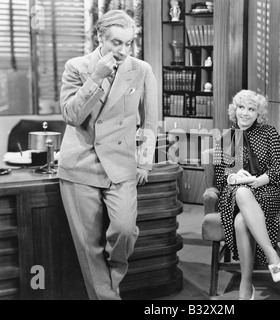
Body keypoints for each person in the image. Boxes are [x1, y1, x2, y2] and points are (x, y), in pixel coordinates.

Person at [58, 10, 158, 300]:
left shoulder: (141, 69)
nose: (123, 50)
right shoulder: (76, 66)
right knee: (88, 246)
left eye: (128, 43)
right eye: (116, 42)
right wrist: (98, 75)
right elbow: (72, 116)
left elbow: (150, 122)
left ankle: (110, 284)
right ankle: (108, 297)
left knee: (125, 230)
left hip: (121, 164)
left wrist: (145, 160)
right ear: (100, 37)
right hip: (80, 164)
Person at [213, 90, 280, 300]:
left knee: (241, 223)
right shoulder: (226, 138)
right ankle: (272, 256)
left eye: (251, 109)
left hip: (265, 190)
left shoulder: (269, 133)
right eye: (241, 107)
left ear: (258, 114)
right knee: (243, 192)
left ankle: (246, 286)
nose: (245, 113)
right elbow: (221, 178)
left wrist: (260, 179)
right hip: (234, 193)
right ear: (234, 110)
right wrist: (235, 176)